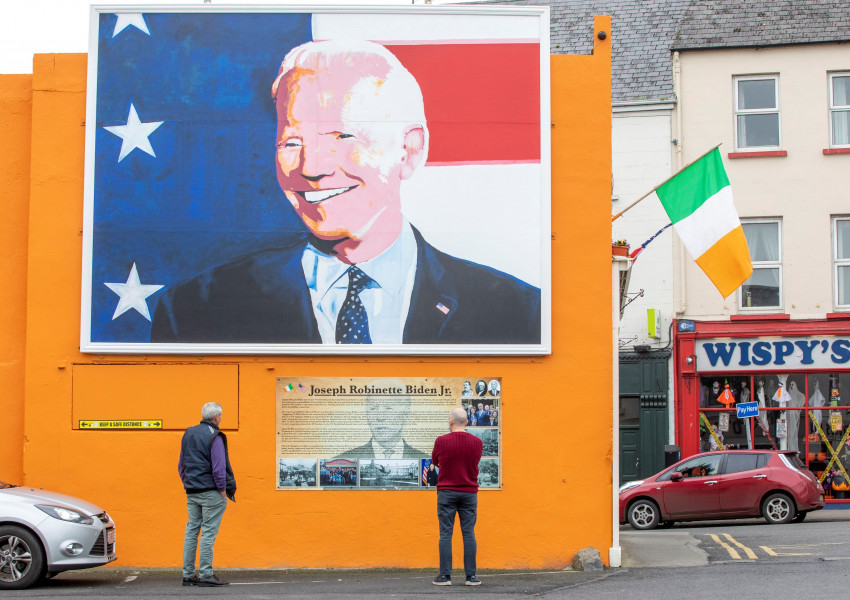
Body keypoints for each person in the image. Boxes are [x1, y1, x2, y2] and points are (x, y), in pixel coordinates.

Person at [150, 39, 540, 345]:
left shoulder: (519, 311)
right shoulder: (194, 310)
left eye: (342, 136)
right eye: (291, 142)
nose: (312, 167)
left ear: (410, 150)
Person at [178, 402, 236, 587]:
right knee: (208, 533)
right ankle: (205, 574)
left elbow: (182, 464)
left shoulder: (189, 433)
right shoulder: (215, 436)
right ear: (217, 416)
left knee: (191, 531)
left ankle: (188, 574)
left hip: (192, 490)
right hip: (211, 491)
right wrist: (221, 489)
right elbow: (219, 467)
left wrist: (188, 483)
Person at [430, 407, 483, 586]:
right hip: (469, 493)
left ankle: (445, 576)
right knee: (468, 533)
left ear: (450, 421)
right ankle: (471, 577)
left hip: (447, 492)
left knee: (446, 534)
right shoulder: (477, 442)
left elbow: (435, 461)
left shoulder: (441, 441)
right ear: (467, 422)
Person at [336, 381, 427, 458]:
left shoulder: (427, 460)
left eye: (388, 408)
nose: (380, 417)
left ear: (406, 415)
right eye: (373, 408)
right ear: (367, 415)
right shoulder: (344, 459)